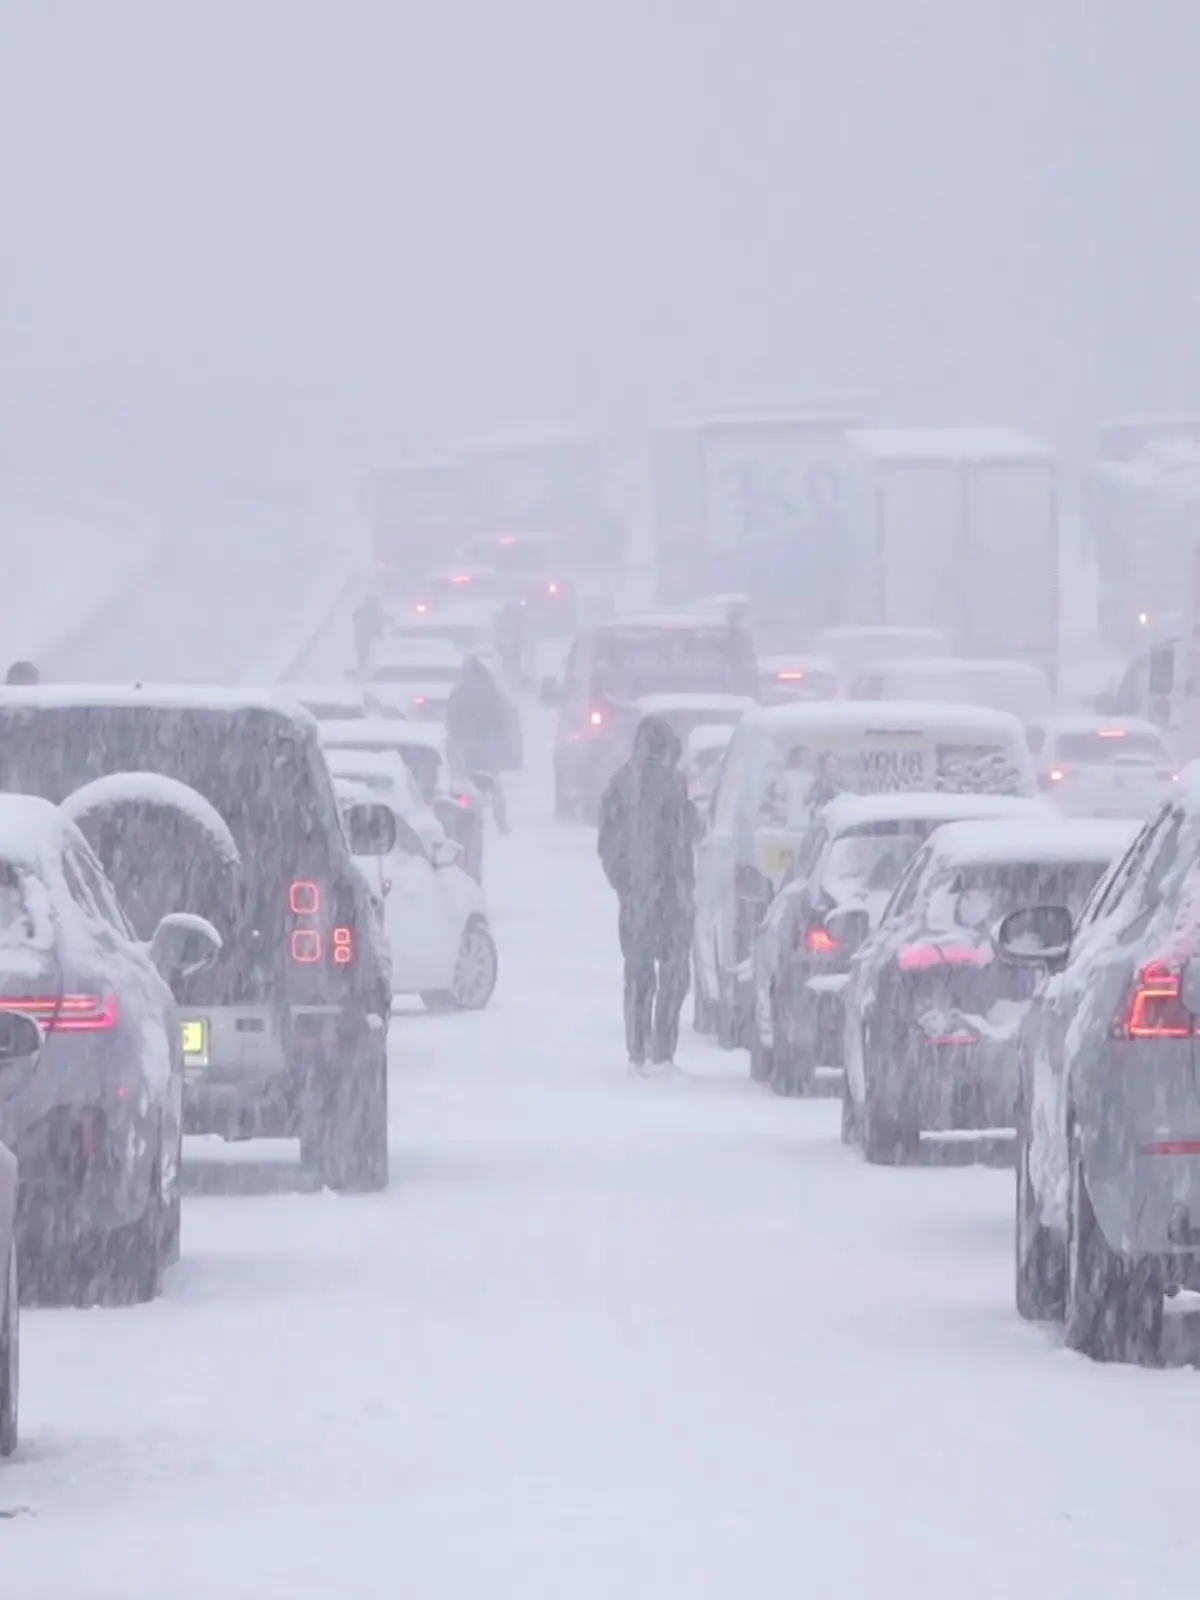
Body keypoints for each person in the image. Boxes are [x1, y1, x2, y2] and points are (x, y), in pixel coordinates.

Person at [597, 714, 697, 1070]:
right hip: (669, 894)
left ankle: (639, 1048)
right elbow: (682, 840)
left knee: (640, 972)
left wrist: (624, 880)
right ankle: (661, 1048)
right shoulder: (670, 784)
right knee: (671, 973)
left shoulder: (620, 785)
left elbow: (607, 843)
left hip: (640, 896)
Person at [445, 655, 511, 833]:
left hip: (467, 743)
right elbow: (502, 718)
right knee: (493, 784)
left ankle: (467, 821)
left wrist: (456, 737)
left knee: (466, 784)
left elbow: (451, 719)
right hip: (487, 743)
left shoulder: (460, 693)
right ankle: (501, 823)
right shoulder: (491, 692)